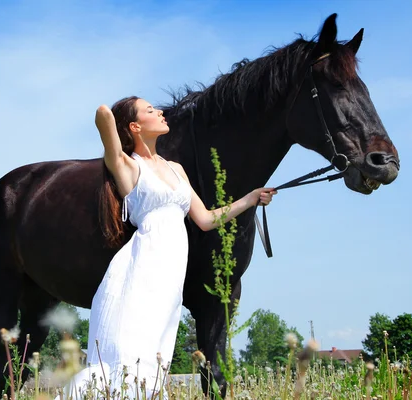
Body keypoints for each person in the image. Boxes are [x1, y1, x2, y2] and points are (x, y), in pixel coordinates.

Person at [58, 96, 276, 399]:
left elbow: (206, 219)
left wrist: (250, 198)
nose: (160, 112)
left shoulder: (176, 169)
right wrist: (119, 123)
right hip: (140, 270)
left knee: (152, 357)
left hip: (169, 278)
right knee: (127, 353)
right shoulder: (126, 165)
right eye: (150, 110)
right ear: (135, 126)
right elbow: (103, 114)